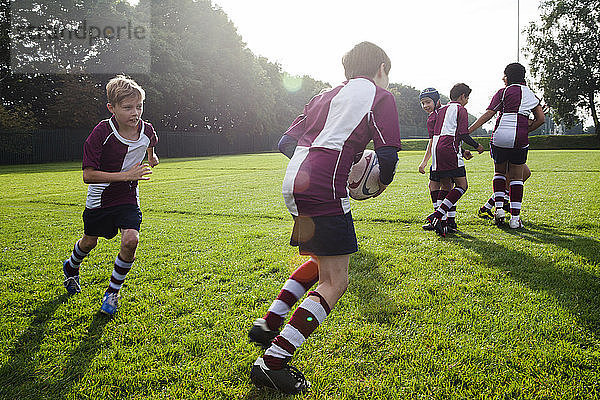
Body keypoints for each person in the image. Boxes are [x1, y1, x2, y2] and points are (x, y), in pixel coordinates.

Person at [248, 41, 401, 395]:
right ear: (380, 68)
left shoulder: (324, 95)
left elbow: (286, 142)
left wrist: (325, 165)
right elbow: (388, 158)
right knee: (336, 282)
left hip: (295, 183)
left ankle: (268, 323)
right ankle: (273, 361)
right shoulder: (379, 95)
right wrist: (373, 181)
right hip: (324, 187)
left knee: (321, 261)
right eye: (388, 74)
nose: (388, 81)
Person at [62, 75, 159, 315]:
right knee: (89, 242)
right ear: (111, 108)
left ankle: (112, 293)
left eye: (139, 106)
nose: (135, 113)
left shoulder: (146, 129)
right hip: (100, 199)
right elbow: (88, 175)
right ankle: (71, 267)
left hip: (127, 197)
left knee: (131, 240)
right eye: (127, 108)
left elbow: (151, 141)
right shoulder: (101, 133)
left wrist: (151, 155)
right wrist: (127, 175)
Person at [468, 62, 544, 228]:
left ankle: (499, 209)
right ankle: (515, 219)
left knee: (500, 173)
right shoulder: (530, 94)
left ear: (508, 77)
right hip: (519, 138)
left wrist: (469, 130)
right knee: (518, 177)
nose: (502, 78)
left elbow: (489, 114)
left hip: (500, 136)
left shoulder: (502, 92)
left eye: (504, 75)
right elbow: (541, 119)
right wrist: (525, 129)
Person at [426, 83, 484, 237]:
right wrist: (476, 146)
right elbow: (463, 134)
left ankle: (446, 223)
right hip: (449, 149)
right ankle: (437, 215)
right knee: (462, 185)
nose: (467, 101)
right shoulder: (460, 109)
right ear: (462, 96)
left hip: (437, 149)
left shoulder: (441, 110)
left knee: (446, 185)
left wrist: (462, 150)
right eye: (467, 98)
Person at [418, 88, 474, 232]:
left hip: (442, 155)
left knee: (440, 187)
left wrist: (424, 161)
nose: (425, 106)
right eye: (422, 103)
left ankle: (441, 220)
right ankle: (445, 221)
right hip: (443, 154)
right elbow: (439, 140)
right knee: (442, 187)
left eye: (427, 102)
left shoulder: (439, 114)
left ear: (437, 101)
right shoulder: (436, 115)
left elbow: (437, 140)